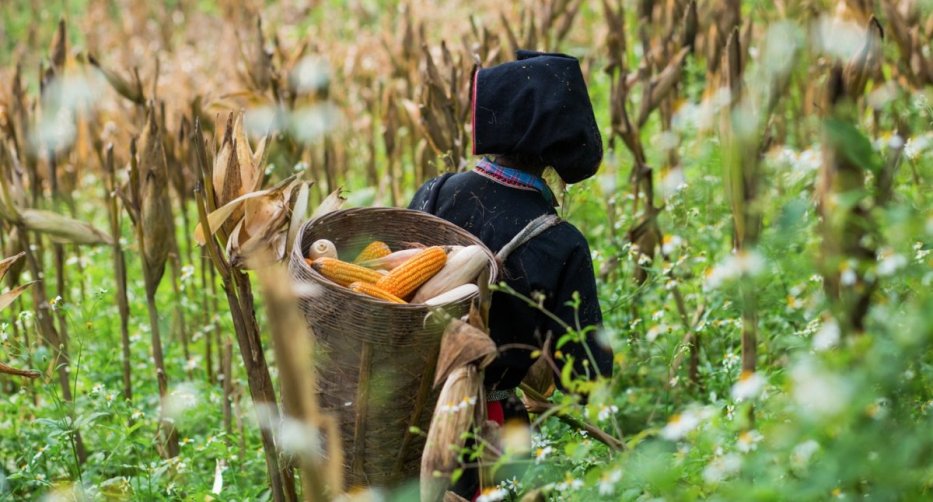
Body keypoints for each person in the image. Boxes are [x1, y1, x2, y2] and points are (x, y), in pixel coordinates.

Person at [409, 50, 613, 499]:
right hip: (492, 437)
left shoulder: (435, 192)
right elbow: (587, 378)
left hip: (406, 421)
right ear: (554, 148)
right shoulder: (560, 242)